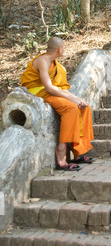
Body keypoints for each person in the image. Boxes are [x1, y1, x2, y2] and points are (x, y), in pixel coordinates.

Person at [21, 36, 94, 171]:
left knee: (84, 107)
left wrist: (77, 99)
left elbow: (61, 89)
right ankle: (61, 153)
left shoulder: (57, 65)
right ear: (60, 50)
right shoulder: (43, 61)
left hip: (51, 92)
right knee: (71, 108)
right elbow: (48, 87)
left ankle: (78, 150)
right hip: (39, 93)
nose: (64, 50)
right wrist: (73, 100)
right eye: (64, 48)